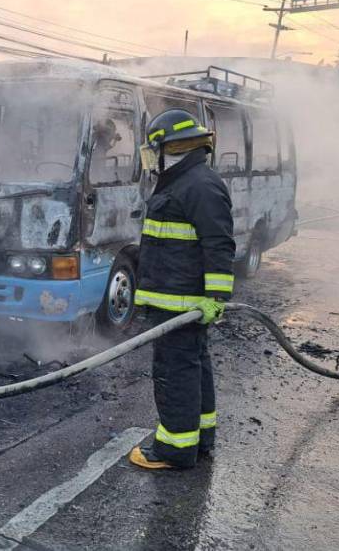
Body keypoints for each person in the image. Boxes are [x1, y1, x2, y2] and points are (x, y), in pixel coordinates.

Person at [129, 109, 235, 470]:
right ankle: (199, 438)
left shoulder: (198, 185)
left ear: (167, 148)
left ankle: (174, 450)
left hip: (181, 304)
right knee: (194, 366)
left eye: (151, 149)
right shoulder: (183, 181)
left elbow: (219, 244)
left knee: (175, 371)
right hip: (177, 302)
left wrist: (215, 298)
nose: (149, 159)